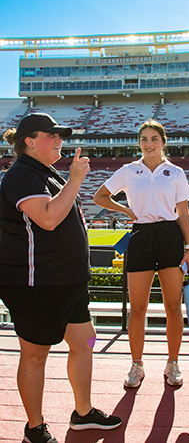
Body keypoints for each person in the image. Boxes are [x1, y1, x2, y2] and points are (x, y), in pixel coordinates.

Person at [0, 113, 121, 443]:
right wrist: (76, 180)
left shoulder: (46, 173)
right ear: (29, 141)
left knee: (86, 341)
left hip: (68, 282)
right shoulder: (22, 175)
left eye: (60, 136)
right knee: (36, 354)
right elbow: (49, 219)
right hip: (37, 284)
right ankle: (34, 427)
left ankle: (83, 413)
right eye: (52, 136)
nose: (60, 141)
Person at [93, 120, 189, 388]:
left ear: (163, 141)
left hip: (170, 237)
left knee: (173, 307)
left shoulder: (175, 172)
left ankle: (172, 363)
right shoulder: (129, 171)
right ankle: (136, 364)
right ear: (139, 142)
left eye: (154, 139)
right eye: (144, 139)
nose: (148, 144)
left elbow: (183, 213)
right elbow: (100, 196)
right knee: (138, 308)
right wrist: (126, 211)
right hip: (140, 235)